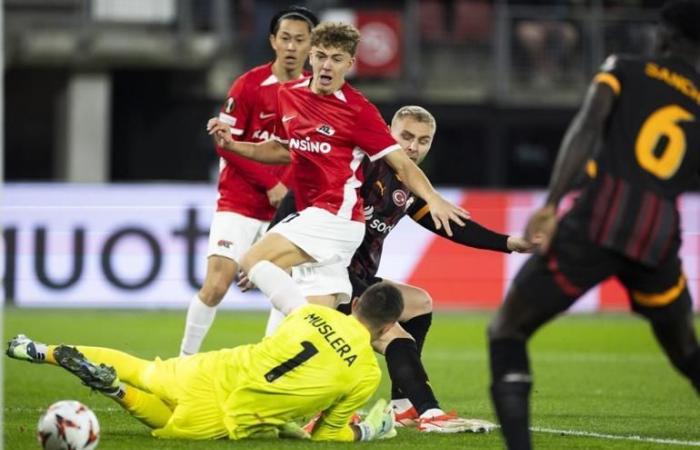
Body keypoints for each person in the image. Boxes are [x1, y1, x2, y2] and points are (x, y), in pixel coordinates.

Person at [487, 1, 700, 449]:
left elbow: (587, 126)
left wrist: (550, 202)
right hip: (658, 236)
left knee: (507, 329)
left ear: (666, 35)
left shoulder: (624, 68)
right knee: (685, 352)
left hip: (599, 222)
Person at [262, 105, 534, 433]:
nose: (412, 147)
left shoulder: (407, 186)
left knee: (419, 303)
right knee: (392, 333)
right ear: (388, 131)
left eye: (423, 140)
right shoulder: (359, 166)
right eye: (405, 136)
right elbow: (298, 194)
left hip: (356, 278)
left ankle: (403, 406)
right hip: (328, 276)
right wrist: (268, 251)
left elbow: (451, 225)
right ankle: (431, 414)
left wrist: (509, 243)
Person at [206, 22, 469, 353]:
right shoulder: (289, 96)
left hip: (338, 216)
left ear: (350, 63)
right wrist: (233, 145)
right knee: (312, 329)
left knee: (253, 262)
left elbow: (402, 164)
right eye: (320, 56)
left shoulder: (358, 111)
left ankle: (312, 324)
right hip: (313, 216)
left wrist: (432, 197)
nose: (327, 65)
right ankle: (365, 388)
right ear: (310, 57)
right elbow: (281, 149)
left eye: (337, 58)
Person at [6, 282, 404, 442]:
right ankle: (116, 391)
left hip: (212, 368)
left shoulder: (309, 314)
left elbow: (285, 359)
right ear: (388, 328)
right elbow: (324, 437)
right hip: (229, 413)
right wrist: (369, 430)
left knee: (144, 369)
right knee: (167, 421)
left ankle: (44, 350)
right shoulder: (366, 373)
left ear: (354, 304)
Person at [179, 6, 320, 356]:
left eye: (299, 40)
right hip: (240, 202)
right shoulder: (249, 85)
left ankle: (266, 365)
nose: (291, 46)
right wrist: (271, 185)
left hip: (286, 209)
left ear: (310, 45)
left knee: (284, 291)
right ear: (272, 40)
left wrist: (288, 193)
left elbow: (310, 151)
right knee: (216, 283)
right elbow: (226, 144)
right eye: (285, 38)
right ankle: (183, 362)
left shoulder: (317, 93)